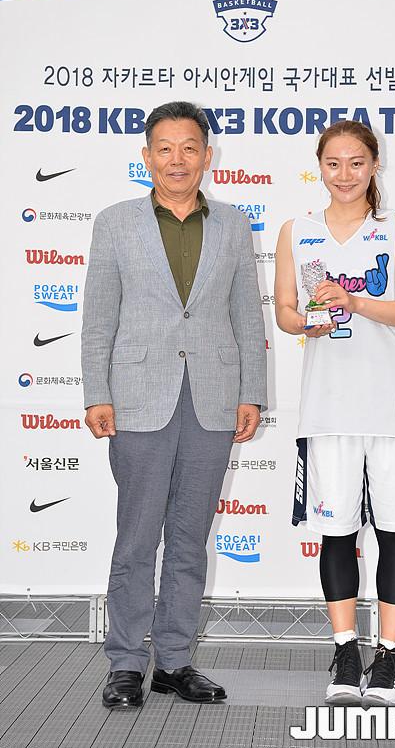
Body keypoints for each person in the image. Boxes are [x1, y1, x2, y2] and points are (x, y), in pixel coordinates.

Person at [81, 100, 267, 708]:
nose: (177, 159)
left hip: (212, 400)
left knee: (189, 538)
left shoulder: (234, 224)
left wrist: (251, 393)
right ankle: (126, 664)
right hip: (138, 399)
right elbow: (98, 316)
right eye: (165, 148)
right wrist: (97, 392)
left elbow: (247, 315)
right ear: (147, 156)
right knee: (137, 538)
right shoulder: (115, 223)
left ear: (207, 156)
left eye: (189, 148)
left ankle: (175, 661)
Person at [274, 120, 395, 707]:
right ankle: (345, 652)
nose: (344, 174)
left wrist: (356, 301)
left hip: (393, 404)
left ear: (374, 165)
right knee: (336, 532)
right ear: (319, 166)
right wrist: (307, 322)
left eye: (356, 162)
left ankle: (388, 658)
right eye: (333, 163)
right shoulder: (297, 231)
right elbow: (285, 312)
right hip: (328, 406)